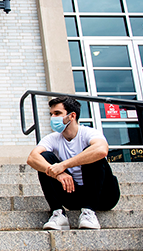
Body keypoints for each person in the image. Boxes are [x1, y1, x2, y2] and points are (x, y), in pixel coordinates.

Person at [27, 96, 120, 230]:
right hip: (72, 195)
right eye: (51, 114)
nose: (53, 117)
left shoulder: (88, 133)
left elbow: (101, 150)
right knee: (44, 158)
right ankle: (58, 214)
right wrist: (57, 174)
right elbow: (32, 158)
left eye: (57, 113)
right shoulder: (52, 139)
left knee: (92, 153)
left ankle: (89, 212)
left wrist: (64, 165)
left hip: (104, 196)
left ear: (72, 116)